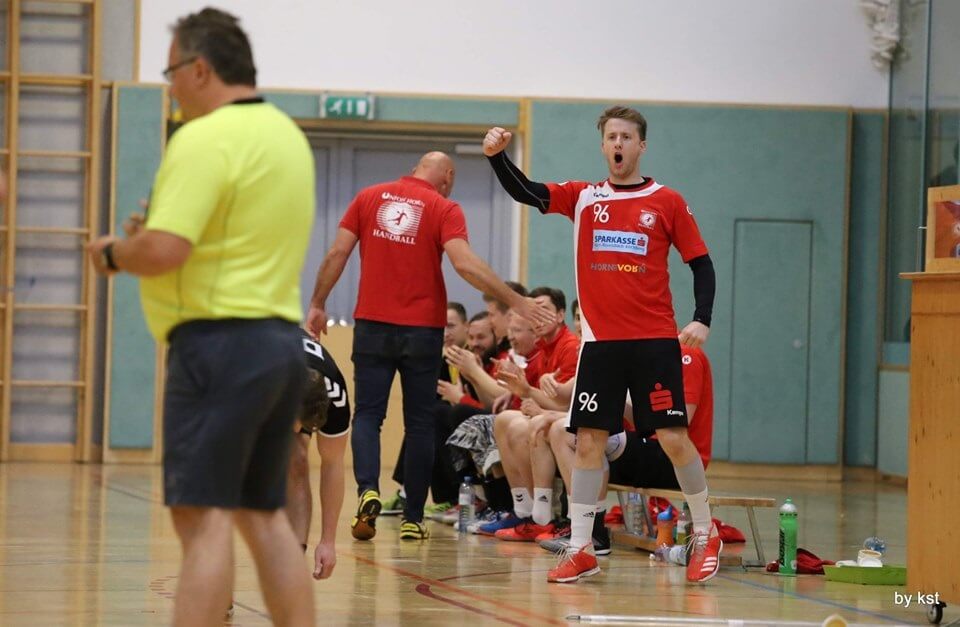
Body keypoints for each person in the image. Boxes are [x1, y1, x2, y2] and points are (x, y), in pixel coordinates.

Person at [86, 8, 315, 626]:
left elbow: (164, 250)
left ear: (201, 68)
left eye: (171, 73)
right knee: (262, 515)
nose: (170, 88)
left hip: (218, 350)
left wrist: (114, 253)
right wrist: (153, 233)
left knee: (202, 517)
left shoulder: (204, 136)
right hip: (278, 346)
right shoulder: (285, 136)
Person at [483, 105, 720, 584]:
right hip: (601, 346)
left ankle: (705, 531)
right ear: (603, 145)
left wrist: (702, 319)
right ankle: (581, 547)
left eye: (626, 137)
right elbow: (527, 191)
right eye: (611, 136)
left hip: (653, 342)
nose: (618, 144)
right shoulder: (584, 198)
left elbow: (701, 263)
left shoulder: (667, 201)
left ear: (641, 146)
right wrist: (497, 157)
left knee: (674, 438)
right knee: (588, 440)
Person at [305, 152, 552, 541]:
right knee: (420, 422)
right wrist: (515, 300)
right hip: (421, 330)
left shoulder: (368, 197)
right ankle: (413, 517)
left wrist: (318, 303)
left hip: (372, 325)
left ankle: (368, 489)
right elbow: (465, 264)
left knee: (368, 415)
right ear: (447, 176)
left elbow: (337, 252)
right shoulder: (442, 207)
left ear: (416, 169)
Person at [539, 345, 715, 554]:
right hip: (644, 445)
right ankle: (576, 528)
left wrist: (613, 397)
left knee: (565, 432)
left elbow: (678, 423)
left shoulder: (686, 355)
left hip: (670, 456)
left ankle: (593, 532)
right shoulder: (628, 351)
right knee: (571, 435)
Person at [286, 332, 351, 581]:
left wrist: (328, 542)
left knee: (297, 458)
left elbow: (333, 463)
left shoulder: (335, 395)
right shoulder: (254, 381)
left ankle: (294, 558)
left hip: (305, 380)